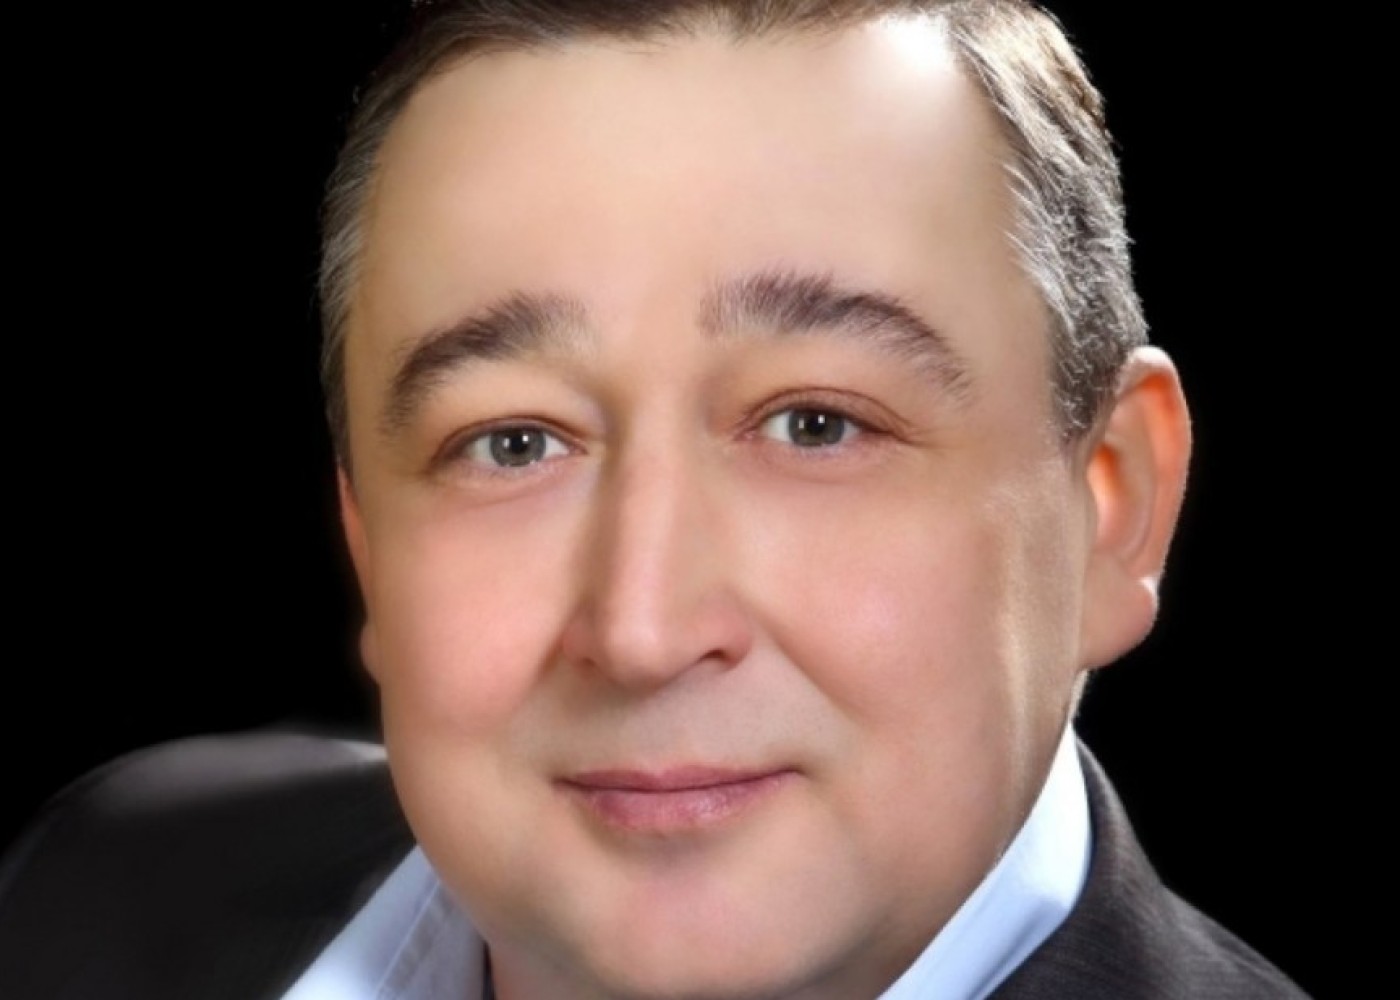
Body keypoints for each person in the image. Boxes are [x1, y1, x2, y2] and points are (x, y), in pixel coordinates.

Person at [0, 1, 1311, 998]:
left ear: (1112, 508)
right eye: (514, 442)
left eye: (816, 426)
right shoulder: (88, 892)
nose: (641, 630)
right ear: (368, 546)